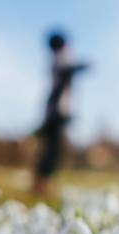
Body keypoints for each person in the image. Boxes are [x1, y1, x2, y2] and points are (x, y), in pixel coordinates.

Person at [33, 30, 89, 195]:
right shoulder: (61, 59)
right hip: (57, 112)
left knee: (50, 147)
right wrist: (82, 66)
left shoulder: (56, 60)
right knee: (53, 149)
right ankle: (42, 184)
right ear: (63, 45)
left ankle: (42, 183)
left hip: (53, 110)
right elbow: (69, 70)